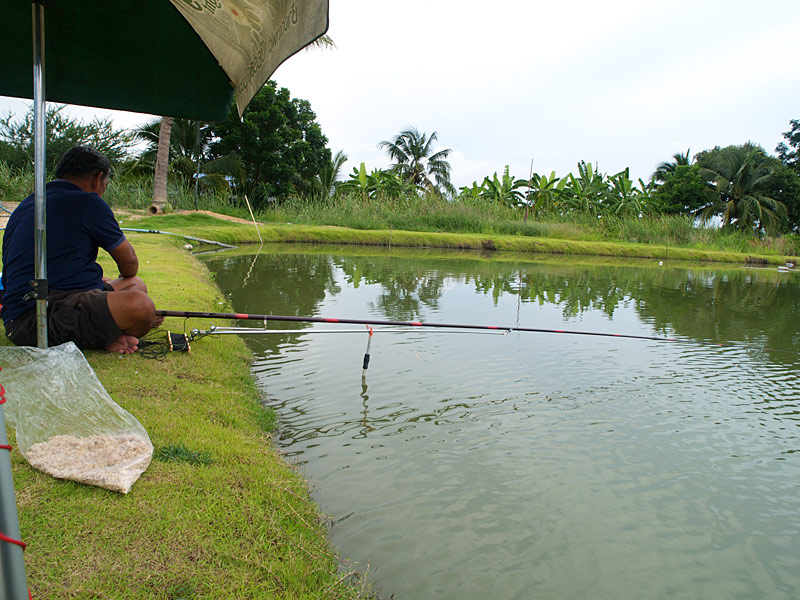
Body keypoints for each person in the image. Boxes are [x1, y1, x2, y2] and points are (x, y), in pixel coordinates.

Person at [1, 145, 158, 354]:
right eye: (105, 184)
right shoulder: (88, 202)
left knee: (136, 285)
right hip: (36, 317)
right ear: (97, 178)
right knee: (142, 307)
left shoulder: (32, 201)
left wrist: (95, 283)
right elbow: (129, 264)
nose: (103, 191)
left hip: (28, 308)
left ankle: (104, 332)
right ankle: (102, 336)